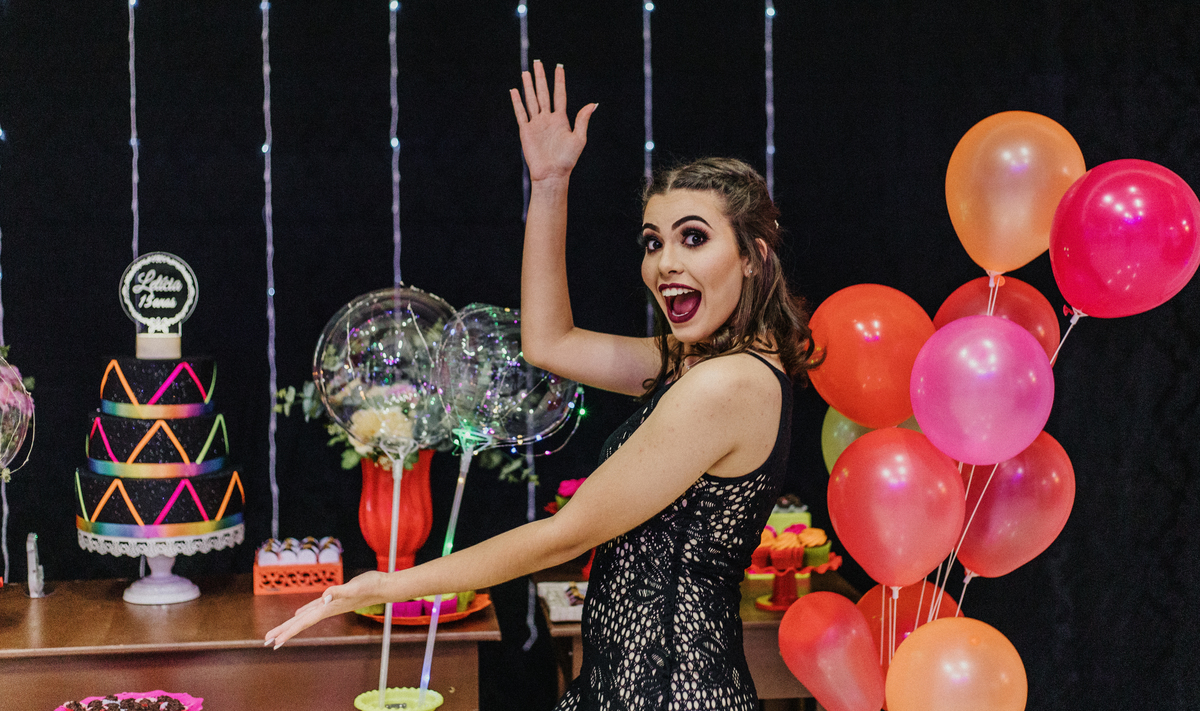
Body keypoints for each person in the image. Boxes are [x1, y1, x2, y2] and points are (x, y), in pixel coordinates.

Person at [266, 60, 818, 710]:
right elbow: (549, 343)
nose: (665, 263)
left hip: (674, 694)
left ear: (752, 257)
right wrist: (550, 183)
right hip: (625, 687)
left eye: (693, 238)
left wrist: (385, 585)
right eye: (652, 242)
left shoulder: (727, 385)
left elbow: (567, 533)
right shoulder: (693, 363)